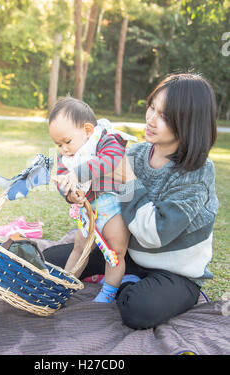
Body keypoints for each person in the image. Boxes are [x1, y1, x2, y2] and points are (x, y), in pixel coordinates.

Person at [44, 73, 219, 329]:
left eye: (164, 116)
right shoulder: (135, 154)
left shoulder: (197, 173)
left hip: (173, 272)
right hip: (131, 253)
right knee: (52, 259)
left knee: (138, 310)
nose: (150, 119)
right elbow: (94, 184)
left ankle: (126, 283)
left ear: (189, 123)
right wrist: (72, 191)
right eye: (151, 108)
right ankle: (125, 273)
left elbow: (155, 234)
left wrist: (129, 182)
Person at [48, 96, 138, 303]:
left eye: (67, 141)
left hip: (113, 207)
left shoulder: (106, 139)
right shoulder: (67, 157)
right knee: (79, 247)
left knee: (115, 251)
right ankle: (64, 285)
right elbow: (63, 178)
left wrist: (79, 173)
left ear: (87, 130)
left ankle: (108, 292)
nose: (64, 149)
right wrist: (70, 194)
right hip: (89, 211)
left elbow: (111, 159)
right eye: (58, 144)